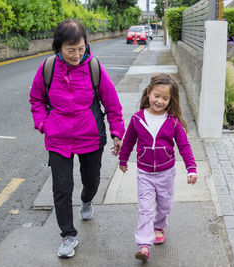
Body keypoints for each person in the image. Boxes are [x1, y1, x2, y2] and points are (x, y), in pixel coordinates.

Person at [29, 20, 125, 258]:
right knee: (62, 188)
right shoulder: (48, 68)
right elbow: (36, 100)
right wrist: (43, 123)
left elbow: (112, 104)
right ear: (58, 47)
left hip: (90, 136)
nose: (76, 54)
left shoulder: (94, 68)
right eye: (70, 50)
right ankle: (68, 236)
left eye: (80, 48)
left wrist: (116, 133)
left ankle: (87, 200)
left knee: (91, 180)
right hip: (58, 138)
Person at [118, 73, 197, 260]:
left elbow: (184, 146)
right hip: (144, 173)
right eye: (156, 96)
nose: (159, 101)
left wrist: (191, 168)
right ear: (148, 94)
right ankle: (144, 245)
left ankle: (159, 226)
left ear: (171, 100)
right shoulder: (137, 119)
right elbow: (128, 141)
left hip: (166, 173)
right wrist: (123, 159)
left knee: (165, 205)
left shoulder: (173, 121)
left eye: (165, 98)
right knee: (145, 209)